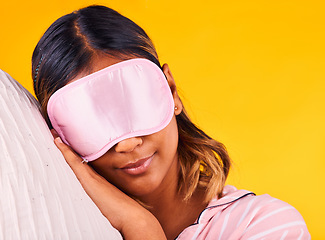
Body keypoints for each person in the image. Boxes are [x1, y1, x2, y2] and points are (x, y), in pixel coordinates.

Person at [32, 5, 310, 240]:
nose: (128, 143)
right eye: (89, 122)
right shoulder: (60, 228)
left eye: (135, 104)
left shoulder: (265, 225)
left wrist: (141, 227)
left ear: (171, 90)